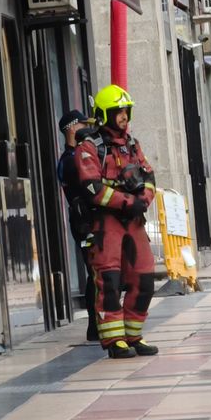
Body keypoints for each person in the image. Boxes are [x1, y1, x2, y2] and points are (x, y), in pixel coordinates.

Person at [75, 85, 158, 359]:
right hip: (105, 224)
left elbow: (149, 177)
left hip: (134, 221)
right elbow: (92, 187)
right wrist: (127, 202)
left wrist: (143, 200)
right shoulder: (89, 147)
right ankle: (114, 341)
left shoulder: (133, 145)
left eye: (126, 110)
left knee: (144, 277)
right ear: (104, 114)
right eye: (117, 111)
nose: (123, 116)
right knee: (108, 281)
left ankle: (133, 335)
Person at [56, 107, 100, 342]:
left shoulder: (73, 158)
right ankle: (95, 326)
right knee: (95, 273)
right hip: (84, 223)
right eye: (83, 126)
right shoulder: (71, 160)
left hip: (86, 222)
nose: (87, 130)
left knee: (97, 272)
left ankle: (97, 324)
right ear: (73, 128)